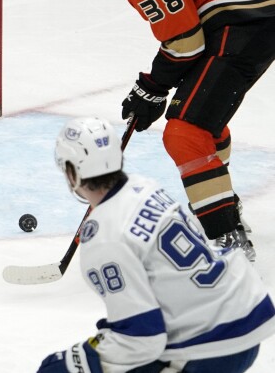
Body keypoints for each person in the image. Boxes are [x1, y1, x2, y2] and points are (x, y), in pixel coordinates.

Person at [78, 0, 275, 259]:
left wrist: (150, 87)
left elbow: (186, 45)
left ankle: (228, 240)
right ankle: (221, 203)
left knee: (185, 132)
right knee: (203, 115)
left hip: (246, 24)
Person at [37, 116, 275, 373]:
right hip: (243, 307)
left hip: (214, 343)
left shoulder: (103, 239)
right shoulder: (144, 186)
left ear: (72, 174)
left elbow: (141, 339)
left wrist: (78, 361)